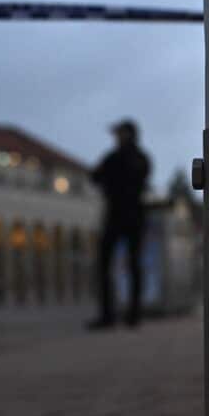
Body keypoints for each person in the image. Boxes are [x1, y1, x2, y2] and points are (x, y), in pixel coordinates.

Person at [89, 119, 151, 329]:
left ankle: (114, 315)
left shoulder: (117, 157)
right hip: (130, 215)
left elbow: (96, 176)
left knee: (113, 265)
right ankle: (130, 315)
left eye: (119, 134)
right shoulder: (139, 158)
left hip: (121, 215)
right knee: (130, 265)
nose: (116, 137)